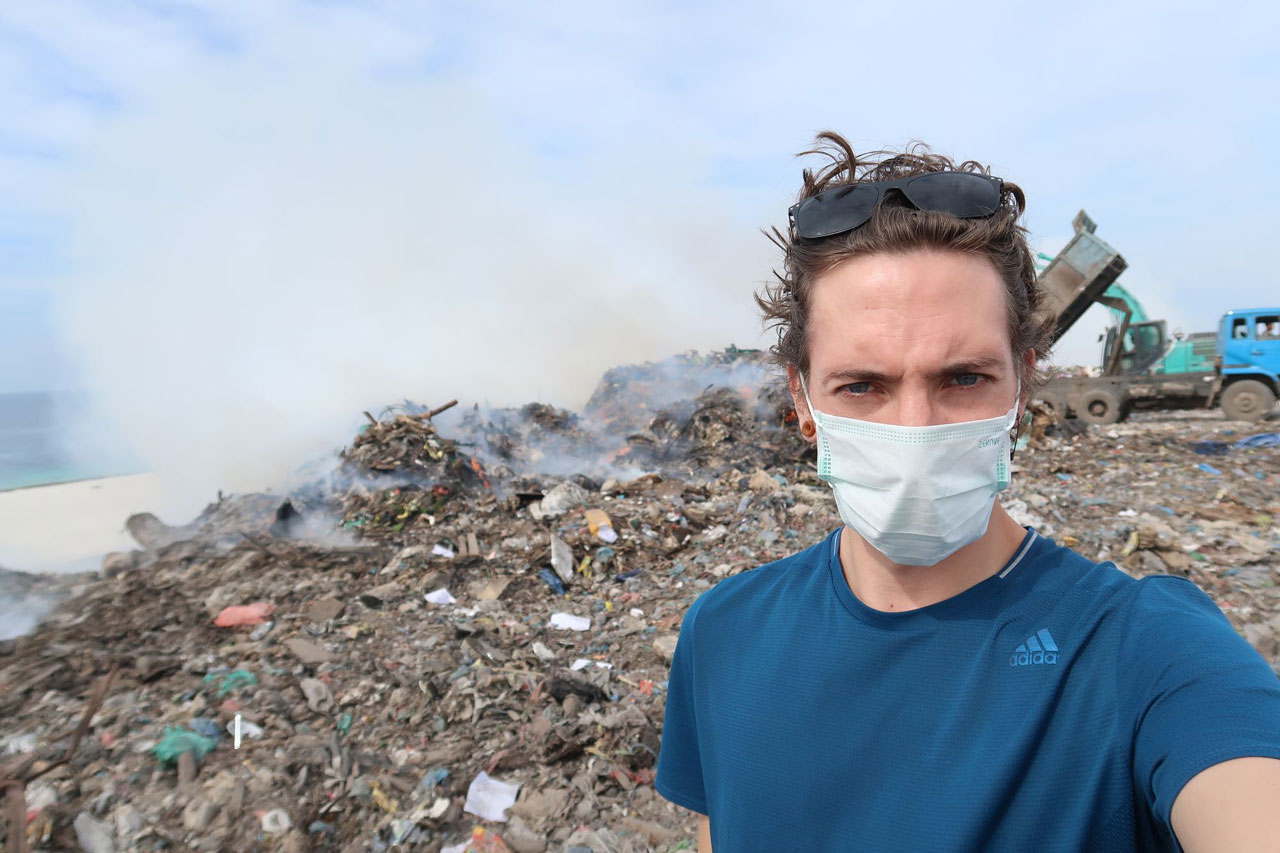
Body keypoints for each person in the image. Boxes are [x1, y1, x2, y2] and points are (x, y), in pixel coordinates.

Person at [654, 132, 1280, 852]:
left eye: (962, 379)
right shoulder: (726, 633)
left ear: (1022, 384)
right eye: (863, 385)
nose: (914, 428)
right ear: (801, 398)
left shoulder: (1143, 651)